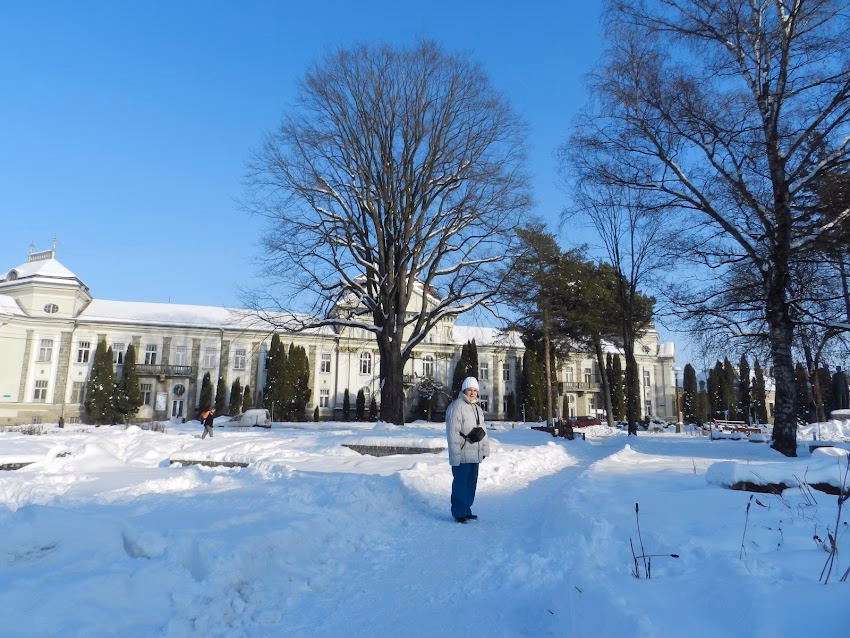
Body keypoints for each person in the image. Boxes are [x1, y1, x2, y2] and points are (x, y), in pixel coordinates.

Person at [445, 376, 490, 523]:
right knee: (460, 483)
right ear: (464, 390)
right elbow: (453, 433)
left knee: (470, 484)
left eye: (475, 390)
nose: (472, 393)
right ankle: (459, 512)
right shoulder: (456, 407)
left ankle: (466, 509)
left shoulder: (477, 408)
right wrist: (455, 456)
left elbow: (483, 431)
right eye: (469, 390)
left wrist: (484, 450)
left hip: (475, 452)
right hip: (462, 452)